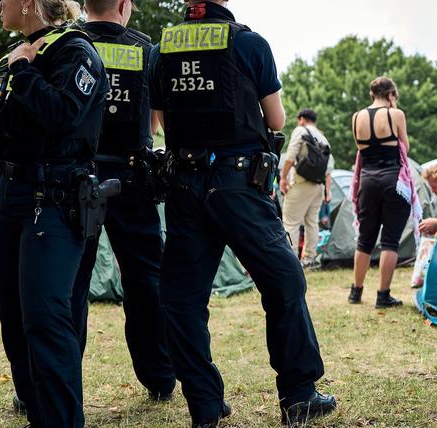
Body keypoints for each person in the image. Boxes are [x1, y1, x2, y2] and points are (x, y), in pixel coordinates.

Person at [148, 1, 336, 426]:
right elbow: (276, 119)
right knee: (284, 280)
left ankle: (204, 404)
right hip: (239, 185)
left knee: (182, 298)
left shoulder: (161, 49)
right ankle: (299, 395)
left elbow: (156, 122)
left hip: (184, 185)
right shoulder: (249, 43)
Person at [0, 0, 107, 426]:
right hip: (12, 197)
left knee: (45, 316)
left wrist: (22, 70)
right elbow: (24, 117)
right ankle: (34, 406)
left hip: (54, 198)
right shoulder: (19, 52)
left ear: (28, 3)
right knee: (15, 316)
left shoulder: (75, 50)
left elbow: (62, 114)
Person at [72, 0, 176, 403]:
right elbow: (154, 121)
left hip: (76, 177)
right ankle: (160, 378)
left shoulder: (67, 43)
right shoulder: (146, 50)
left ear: (85, 6)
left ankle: (57, 379)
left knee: (70, 281)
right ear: (123, 5)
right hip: (132, 177)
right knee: (146, 279)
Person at [348, 76, 418, 309]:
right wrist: (394, 109)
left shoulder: (357, 117)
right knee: (390, 240)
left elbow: (361, 150)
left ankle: (356, 292)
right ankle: (383, 295)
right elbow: (405, 148)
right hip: (393, 181)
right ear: (391, 94)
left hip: (367, 181)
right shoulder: (395, 115)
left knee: (365, 239)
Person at [280, 108, 334, 268]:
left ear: (302, 119)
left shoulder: (300, 131)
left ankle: (291, 260)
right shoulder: (322, 137)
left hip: (301, 183)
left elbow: (290, 155)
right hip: (318, 186)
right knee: (312, 223)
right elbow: (329, 168)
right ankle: (309, 259)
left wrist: (283, 178)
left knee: (291, 222)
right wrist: (328, 191)